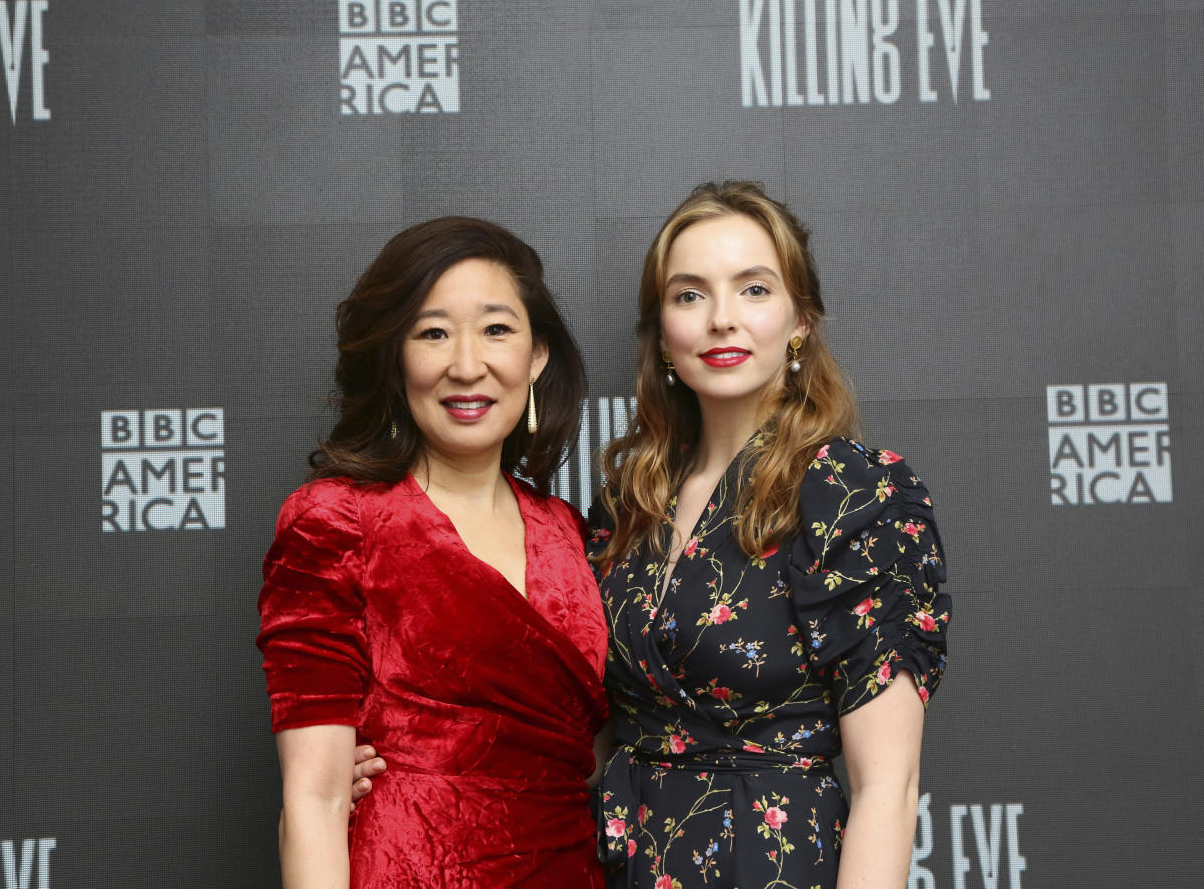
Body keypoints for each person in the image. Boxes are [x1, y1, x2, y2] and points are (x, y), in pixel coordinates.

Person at [350, 181, 952, 889]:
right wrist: (406, 766)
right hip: (623, 863)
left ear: (802, 320)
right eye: (689, 295)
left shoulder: (853, 492)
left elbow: (889, 783)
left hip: (774, 865)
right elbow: (569, 726)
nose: (722, 319)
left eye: (754, 290)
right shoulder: (629, 505)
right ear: (663, 332)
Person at [257, 216, 609, 888]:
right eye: (434, 333)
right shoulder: (334, 521)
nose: (467, 364)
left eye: (497, 329)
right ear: (395, 357)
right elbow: (314, 801)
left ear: (537, 356)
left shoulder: (568, 530)